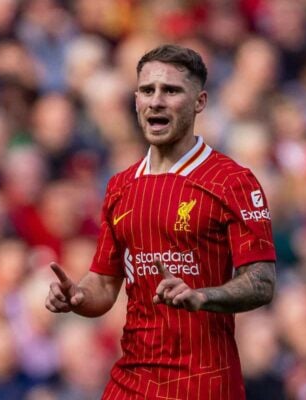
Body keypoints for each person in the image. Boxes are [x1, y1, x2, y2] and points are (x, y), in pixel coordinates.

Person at [45, 44, 277, 399]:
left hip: (203, 382)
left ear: (199, 102)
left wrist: (203, 297)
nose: (156, 101)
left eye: (170, 91)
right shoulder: (121, 185)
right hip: (132, 379)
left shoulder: (232, 181)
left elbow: (262, 281)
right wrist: (78, 296)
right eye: (147, 90)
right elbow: (105, 287)